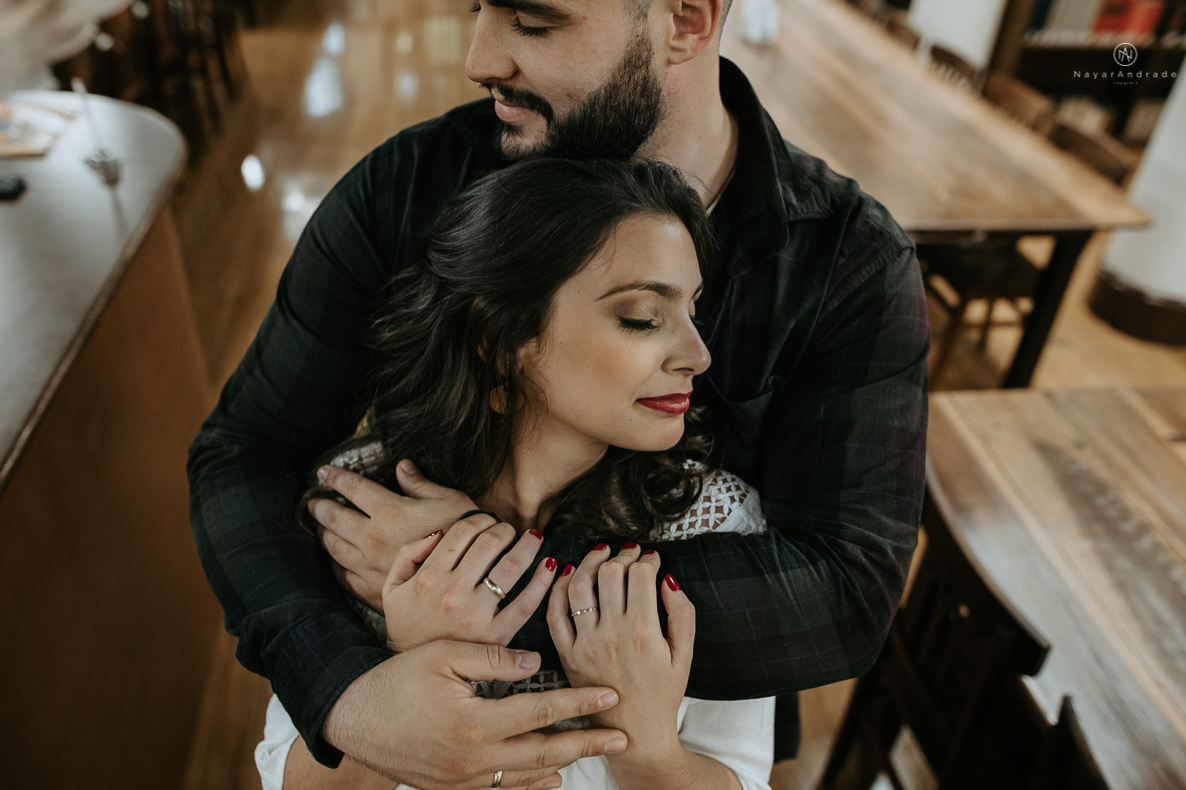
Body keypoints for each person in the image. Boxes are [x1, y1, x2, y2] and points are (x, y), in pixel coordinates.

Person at [187, 1, 929, 787]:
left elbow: (844, 590)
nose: (479, 57)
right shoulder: (406, 188)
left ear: (686, 18)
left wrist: (480, 576)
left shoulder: (848, 262)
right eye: (480, 8)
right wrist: (348, 691)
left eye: (535, 23)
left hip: (692, 716)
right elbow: (245, 453)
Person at [256, 157, 776, 790]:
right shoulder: (369, 510)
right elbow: (289, 780)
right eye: (642, 317)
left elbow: (746, 777)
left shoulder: (714, 521)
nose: (699, 355)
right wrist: (403, 676)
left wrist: (648, 751)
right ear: (501, 341)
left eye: (693, 310)